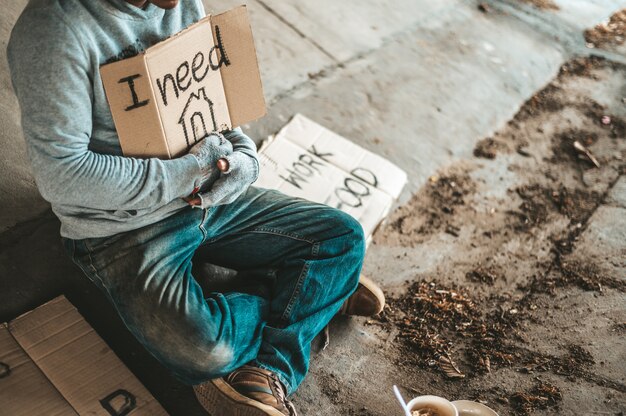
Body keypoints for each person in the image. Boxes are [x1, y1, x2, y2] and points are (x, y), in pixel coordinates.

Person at [8, 0, 385, 414]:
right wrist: (188, 172)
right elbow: (64, 175)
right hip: (123, 227)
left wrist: (244, 158)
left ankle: (272, 366)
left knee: (343, 238)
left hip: (209, 192)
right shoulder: (54, 31)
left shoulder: (181, 2)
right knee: (205, 350)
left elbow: (214, 106)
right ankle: (304, 296)